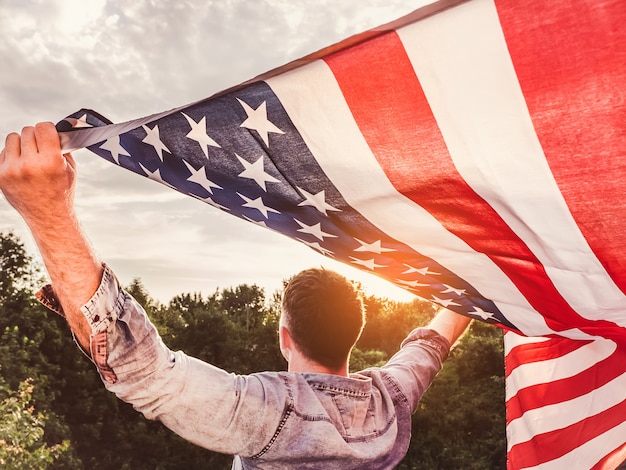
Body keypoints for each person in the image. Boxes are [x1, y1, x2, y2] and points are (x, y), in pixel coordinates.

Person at [0, 122, 472, 469]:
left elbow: (143, 372)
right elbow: (437, 336)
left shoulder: (266, 413)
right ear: (355, 333)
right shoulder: (391, 398)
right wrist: (486, 270)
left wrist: (48, 212)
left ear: (285, 335)